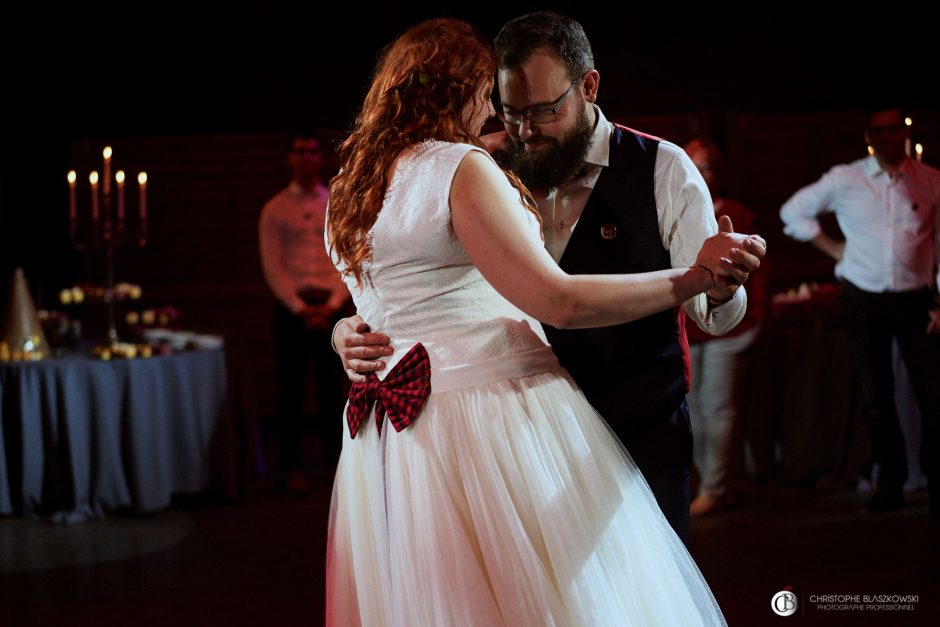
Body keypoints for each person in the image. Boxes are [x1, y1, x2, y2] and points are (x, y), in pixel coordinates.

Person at [325, 18, 765, 625]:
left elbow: (713, 315)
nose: (521, 128)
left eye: (542, 111)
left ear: (588, 87)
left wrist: (715, 283)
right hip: (501, 428)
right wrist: (347, 329)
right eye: (508, 110)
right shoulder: (473, 162)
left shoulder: (662, 168)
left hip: (629, 418)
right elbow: (463, 287)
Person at [780, 109, 940, 514]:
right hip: (863, 295)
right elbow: (791, 213)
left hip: (915, 298)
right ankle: (890, 482)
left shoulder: (930, 180)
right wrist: (834, 248)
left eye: (895, 130)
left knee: (932, 393)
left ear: (905, 134)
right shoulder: (846, 178)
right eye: (880, 132)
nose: (888, 138)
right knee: (875, 394)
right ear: (870, 137)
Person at [258, 133, 350, 493]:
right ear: (289, 159)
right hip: (292, 311)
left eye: (311, 151)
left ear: (318, 158)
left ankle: (335, 465)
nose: (306, 158)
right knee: (290, 391)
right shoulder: (275, 208)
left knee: (333, 390)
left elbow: (346, 256)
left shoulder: (335, 203)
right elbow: (272, 265)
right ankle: (291, 467)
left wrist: (330, 306)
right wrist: (300, 309)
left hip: (331, 309)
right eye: (299, 152)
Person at [683, 138, 766, 515]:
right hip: (689, 324)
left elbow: (758, 274)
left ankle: (716, 487)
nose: (700, 175)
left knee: (717, 407)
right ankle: (707, 483)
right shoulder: (678, 209)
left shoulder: (736, 212)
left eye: (708, 167)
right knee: (695, 409)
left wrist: (756, 318)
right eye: (693, 166)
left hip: (729, 327)